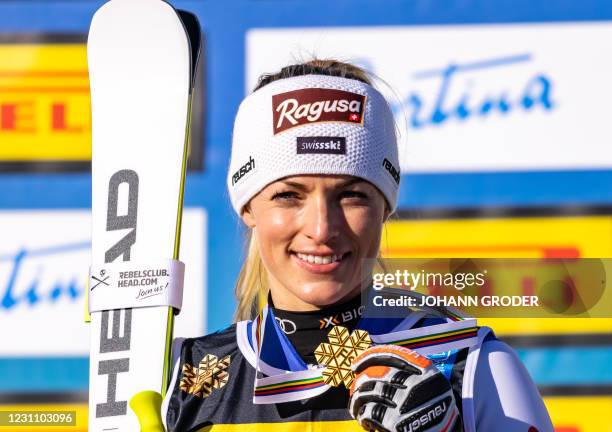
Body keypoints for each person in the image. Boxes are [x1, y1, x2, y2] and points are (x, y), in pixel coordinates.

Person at [162, 60, 553, 432]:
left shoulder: (473, 366)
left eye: (351, 196)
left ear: (384, 207)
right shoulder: (186, 378)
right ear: (248, 206)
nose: (321, 227)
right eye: (289, 195)